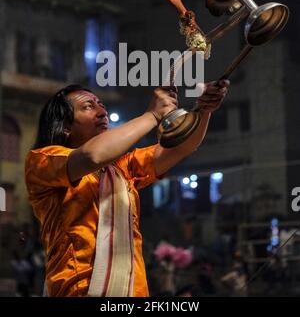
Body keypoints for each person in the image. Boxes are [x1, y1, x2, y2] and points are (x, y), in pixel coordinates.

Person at [25, 81, 229, 297]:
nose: (102, 112)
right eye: (87, 107)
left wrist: (204, 110)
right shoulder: (42, 162)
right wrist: (151, 115)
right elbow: (91, 156)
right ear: (65, 126)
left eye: (100, 104)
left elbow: (181, 147)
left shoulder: (121, 168)